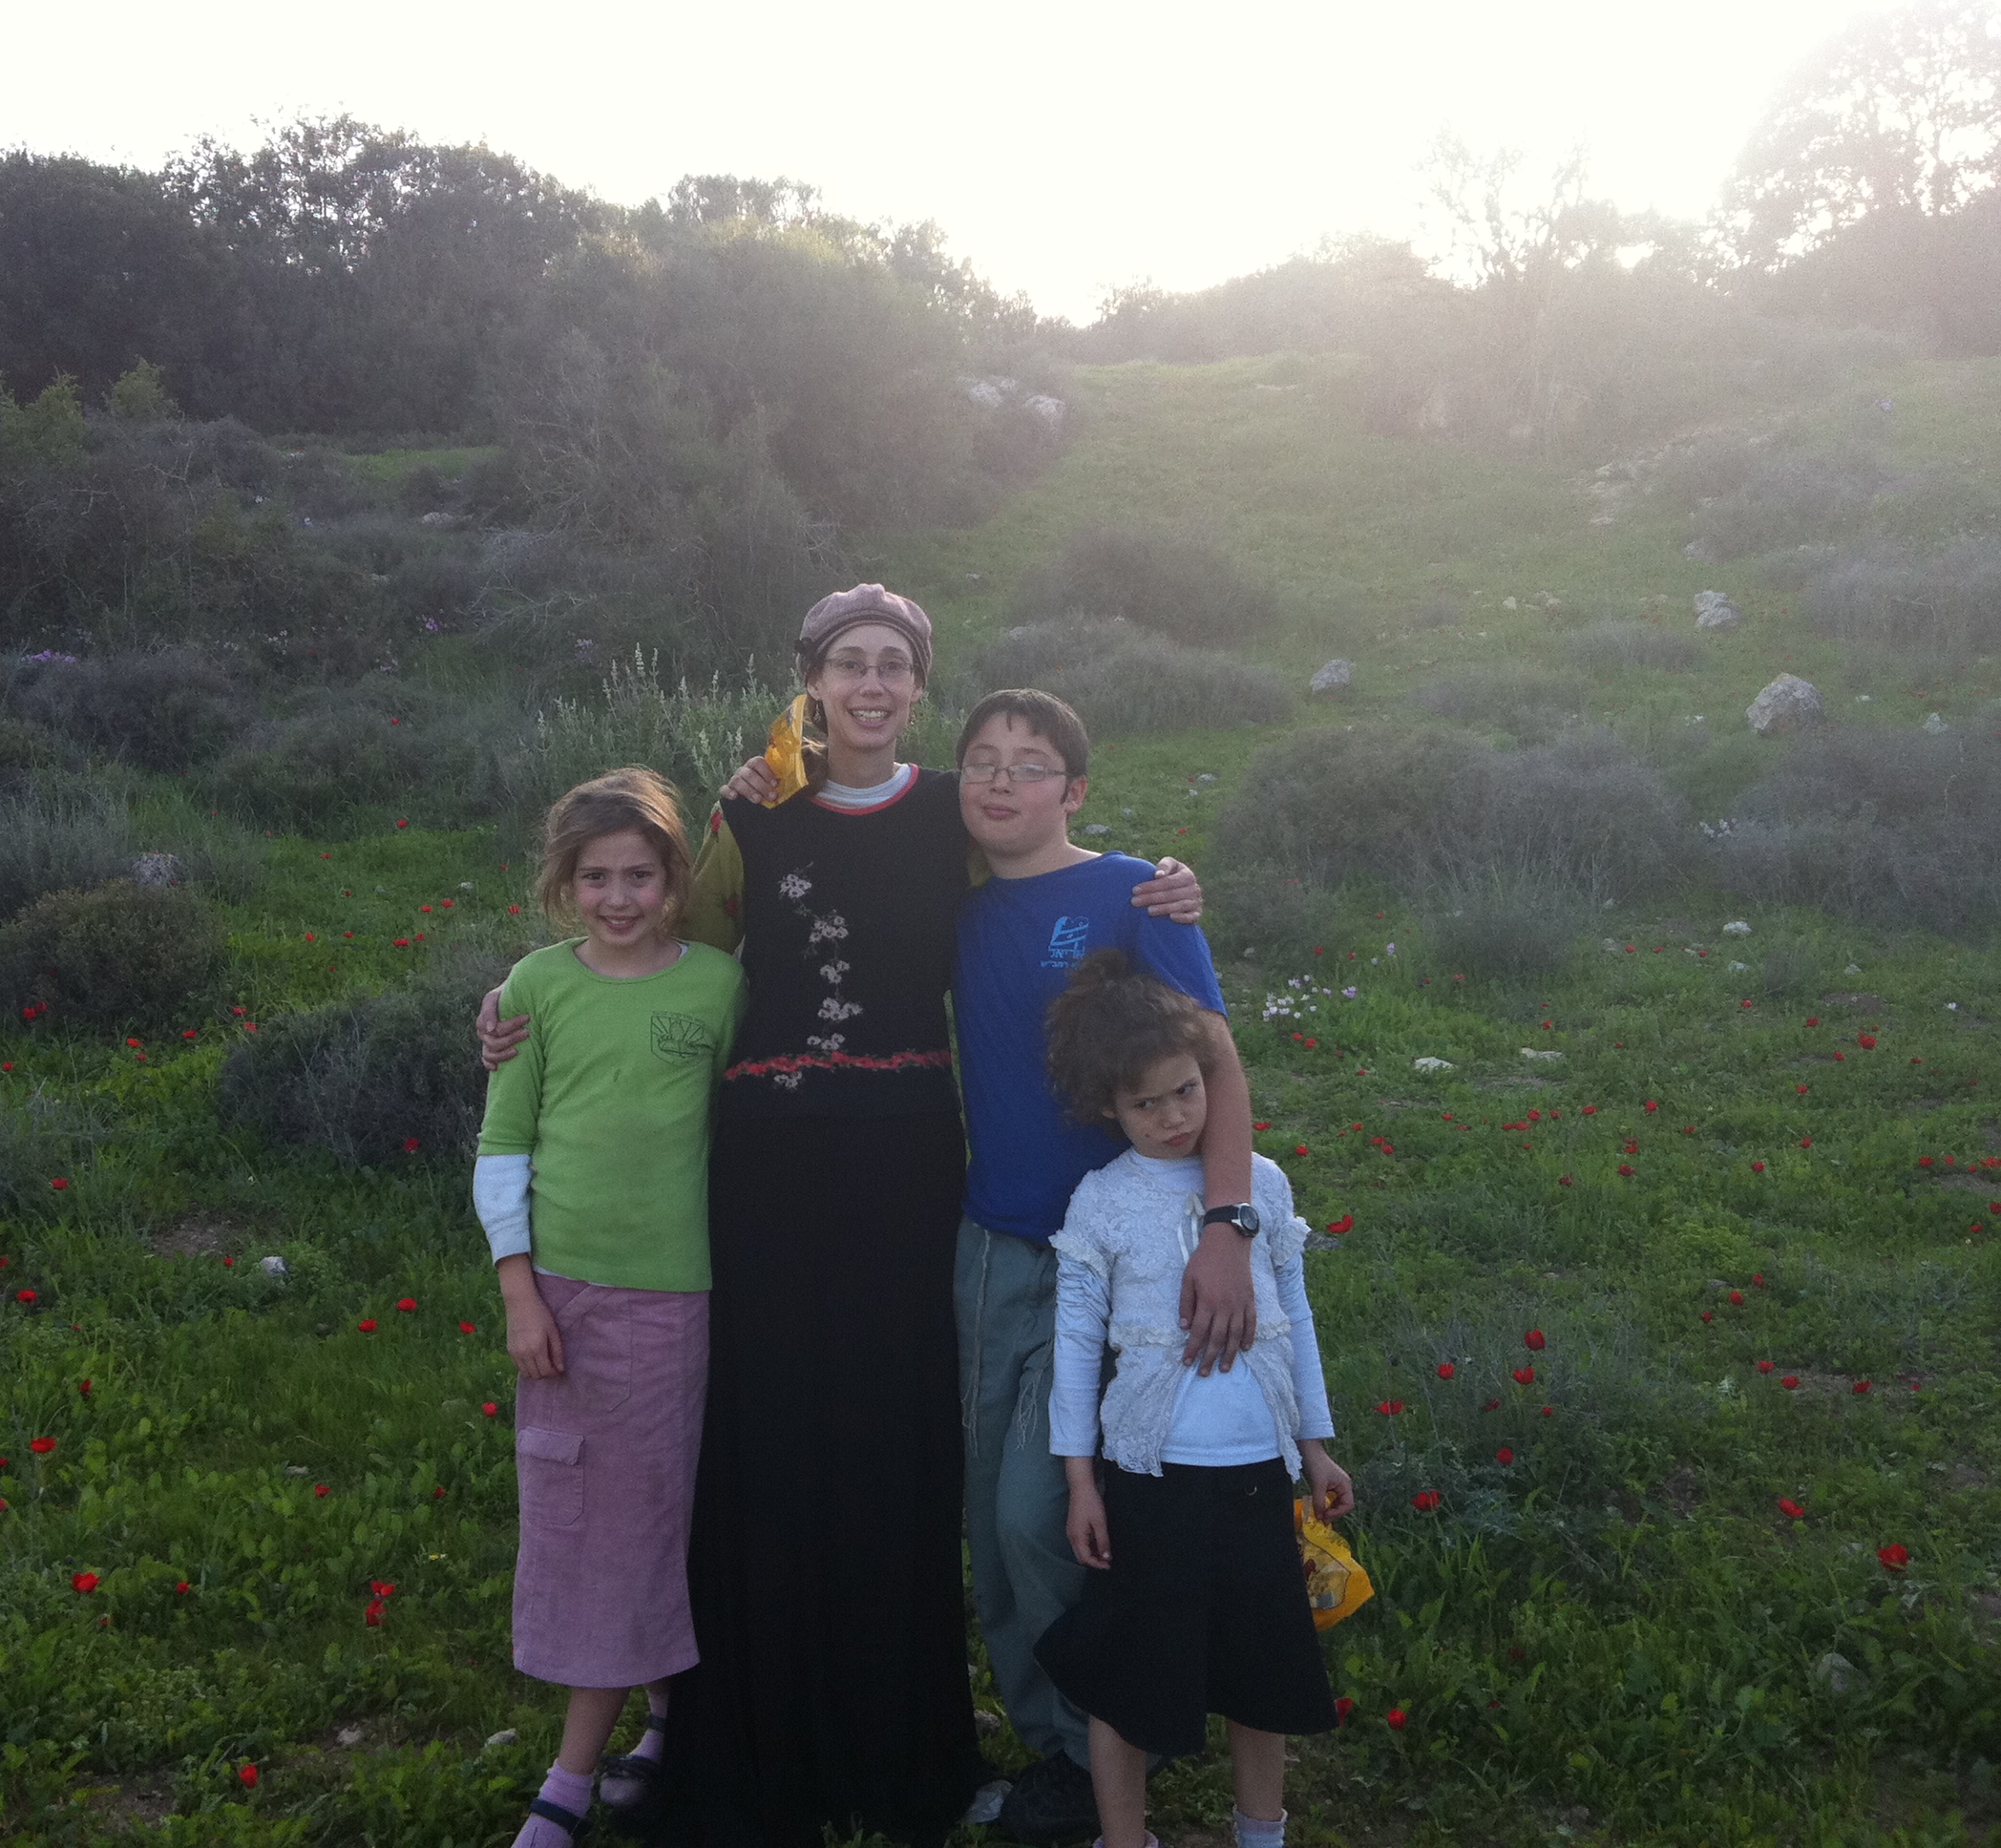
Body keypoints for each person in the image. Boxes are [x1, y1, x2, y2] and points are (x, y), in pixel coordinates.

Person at [484, 586, 1207, 1846]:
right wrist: (516, 1003)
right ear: (812, 680)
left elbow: (1045, 854)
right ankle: (744, 1720)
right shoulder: (751, 813)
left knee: (891, 1435)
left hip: (905, 1163)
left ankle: (894, 1734)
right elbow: (655, 946)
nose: (871, 684)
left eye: (893, 665)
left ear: (916, 687)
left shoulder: (952, 809)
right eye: (848, 663)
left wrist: (1162, 886)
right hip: (767, 1165)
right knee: (767, 1431)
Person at [945, 689, 1264, 1843]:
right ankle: (1057, 1745)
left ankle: (1107, 1743)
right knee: (992, 1523)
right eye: (982, 760)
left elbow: (1216, 1065)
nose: (1001, 780)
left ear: (1074, 789)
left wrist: (1228, 1227)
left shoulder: (1135, 892)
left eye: (1030, 763)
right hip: (993, 1246)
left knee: (1043, 1511)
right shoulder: (955, 907)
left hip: (1117, 1258)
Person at [473, 768, 746, 1848]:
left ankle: (573, 1776)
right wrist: (518, 1289)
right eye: (596, 877)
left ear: (676, 880)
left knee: (646, 1516)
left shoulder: (719, 987)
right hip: (560, 1298)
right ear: (563, 882)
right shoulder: (535, 985)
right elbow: (504, 1143)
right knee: (580, 1510)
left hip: (672, 1299)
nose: (619, 898)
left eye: (640, 875)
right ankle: (660, 1718)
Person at [1033, 950, 1352, 1848]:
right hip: (1150, 1480)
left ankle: (1261, 1834)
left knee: (1262, 1673)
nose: (1175, 1117)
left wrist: (1315, 1444)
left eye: (1187, 1091)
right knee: (1128, 1678)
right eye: (1147, 1104)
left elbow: (1295, 1316)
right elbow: (1074, 1351)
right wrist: (1082, 1481)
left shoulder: (1260, 1184)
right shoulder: (1101, 1203)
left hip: (1258, 1473)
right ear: (1109, 1107)